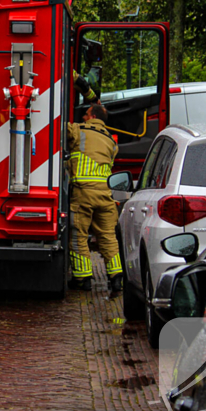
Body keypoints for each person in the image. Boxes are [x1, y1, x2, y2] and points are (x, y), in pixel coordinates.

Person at [67, 102, 123, 292]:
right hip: (106, 195)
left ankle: (83, 279)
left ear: (91, 116)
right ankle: (116, 278)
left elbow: (58, 130)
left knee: (78, 235)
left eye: (86, 114)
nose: (83, 117)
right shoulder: (111, 140)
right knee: (108, 236)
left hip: (83, 193)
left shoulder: (77, 130)